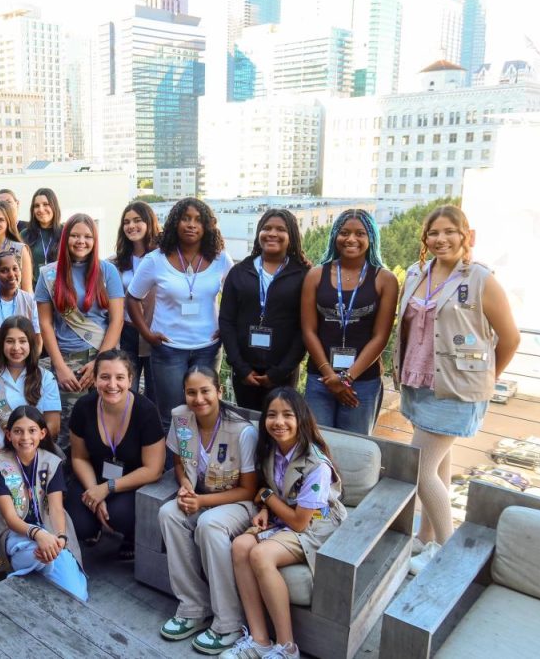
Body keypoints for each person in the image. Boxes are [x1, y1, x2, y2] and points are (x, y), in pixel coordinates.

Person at [390, 205, 519, 574]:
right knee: (438, 465)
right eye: (434, 233)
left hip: (456, 389)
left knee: (418, 469)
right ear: (425, 238)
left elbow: (509, 338)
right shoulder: (417, 273)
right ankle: (427, 538)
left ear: (466, 235)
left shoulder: (480, 279)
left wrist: (488, 378)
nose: (441, 239)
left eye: (450, 231)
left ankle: (444, 551)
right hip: (419, 383)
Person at [224, 388, 346, 659]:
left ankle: (287, 647)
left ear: (301, 419)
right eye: (272, 415)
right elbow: (273, 490)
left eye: (287, 415)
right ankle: (259, 641)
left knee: (260, 554)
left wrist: (266, 497)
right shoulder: (271, 450)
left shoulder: (317, 466)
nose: (279, 422)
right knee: (240, 545)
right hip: (284, 519)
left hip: (317, 525)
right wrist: (266, 506)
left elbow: (301, 523)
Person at [158, 366, 258, 654]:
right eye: (191, 392)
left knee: (210, 524)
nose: (198, 398)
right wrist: (185, 486)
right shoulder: (180, 419)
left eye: (205, 391)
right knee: (168, 514)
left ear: (219, 392)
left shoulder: (243, 431)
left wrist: (201, 503)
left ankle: (228, 623)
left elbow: (249, 490)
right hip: (199, 496)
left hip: (237, 504)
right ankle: (193, 607)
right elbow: (179, 463)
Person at [129, 198, 233, 434]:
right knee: (173, 416)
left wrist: (226, 328)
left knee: (204, 412)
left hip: (208, 348)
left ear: (207, 225)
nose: (191, 225)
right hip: (168, 349)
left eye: (198, 220)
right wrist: (146, 333)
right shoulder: (155, 260)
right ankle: (173, 469)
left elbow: (235, 297)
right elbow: (132, 298)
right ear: (175, 222)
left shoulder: (220, 259)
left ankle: (201, 467)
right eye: (185, 218)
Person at [301, 209, 399, 435]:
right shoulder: (316, 275)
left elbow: (381, 336)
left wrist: (347, 378)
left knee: (355, 449)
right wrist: (330, 375)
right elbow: (308, 330)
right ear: (335, 235)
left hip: (362, 382)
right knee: (317, 446)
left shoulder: (385, 279)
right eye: (344, 232)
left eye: (360, 233)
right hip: (320, 379)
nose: (351, 239)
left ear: (371, 238)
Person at [65, 350, 164, 560]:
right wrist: (95, 493)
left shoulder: (146, 411)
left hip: (131, 482)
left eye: (119, 377)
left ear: (130, 380)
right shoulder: (83, 407)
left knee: (118, 515)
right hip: (93, 476)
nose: (112, 385)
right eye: (104, 377)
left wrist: (107, 488)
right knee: (79, 525)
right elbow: (79, 457)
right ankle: (94, 526)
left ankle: (131, 534)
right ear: (95, 379)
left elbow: (153, 470)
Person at [36, 214, 125, 449]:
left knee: (105, 422)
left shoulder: (108, 271)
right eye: (75, 235)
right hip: (67, 360)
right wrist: (61, 367)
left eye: (87, 236)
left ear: (95, 240)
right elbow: (45, 324)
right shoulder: (48, 275)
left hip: (103, 358)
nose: (81, 241)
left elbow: (116, 321)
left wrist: (99, 363)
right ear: (65, 238)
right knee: (69, 427)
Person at [0, 406, 87, 600]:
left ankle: (34, 572)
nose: (25, 437)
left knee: (77, 594)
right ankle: (36, 569)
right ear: (8, 435)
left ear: (42, 433)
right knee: (42, 558)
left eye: (31, 431)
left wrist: (61, 538)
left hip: (52, 531)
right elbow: (10, 518)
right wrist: (38, 535)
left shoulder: (52, 462)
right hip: (16, 534)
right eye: (18, 431)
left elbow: (56, 509)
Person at [219, 209, 311, 412]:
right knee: (248, 426)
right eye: (266, 228)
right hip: (244, 372)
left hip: (283, 373)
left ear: (291, 236)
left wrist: (280, 371)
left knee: (279, 425)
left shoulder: (303, 275)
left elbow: (305, 329)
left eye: (280, 229)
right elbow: (226, 321)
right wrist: (241, 368)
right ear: (258, 232)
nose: (272, 233)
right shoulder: (239, 272)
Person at [0, 316, 60, 455]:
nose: (16, 347)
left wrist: (32, 450)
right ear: (1, 344)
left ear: (31, 343)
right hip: (4, 458)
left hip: (38, 454)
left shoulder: (46, 378)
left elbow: (53, 425)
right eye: (9, 341)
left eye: (22, 341)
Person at [113, 201, 161, 399]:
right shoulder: (116, 262)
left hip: (156, 333)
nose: (131, 226)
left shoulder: (163, 258)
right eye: (126, 222)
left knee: (155, 393)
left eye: (137, 220)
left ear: (149, 223)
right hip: (127, 333)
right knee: (126, 392)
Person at [0, 249, 41, 373]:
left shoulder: (29, 300)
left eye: (15, 269)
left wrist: (29, 366)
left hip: (24, 371)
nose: (11, 274)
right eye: (4, 270)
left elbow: (38, 338)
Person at [20, 187, 63, 285]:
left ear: (54, 206)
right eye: (36, 206)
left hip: (60, 291)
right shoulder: (25, 234)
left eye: (45, 204)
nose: (41, 209)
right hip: (34, 292)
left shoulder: (66, 233)